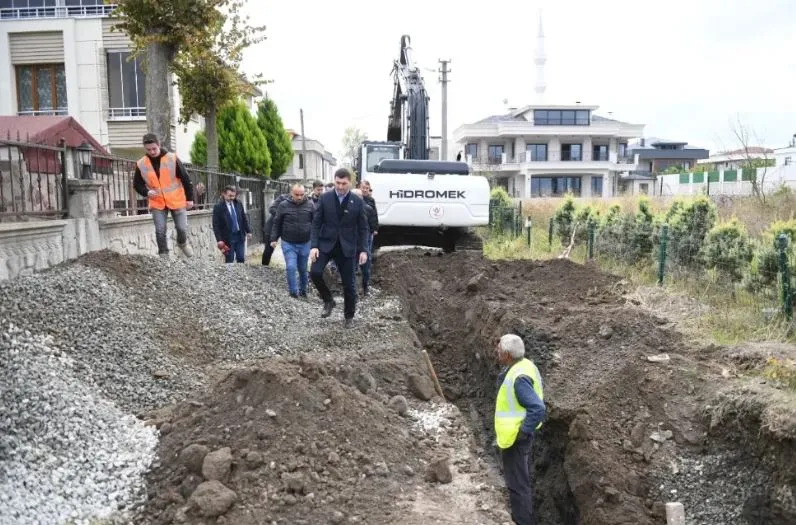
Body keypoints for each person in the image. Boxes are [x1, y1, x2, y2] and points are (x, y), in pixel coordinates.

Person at [494, 334, 546, 525]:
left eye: (499, 349)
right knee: (519, 480)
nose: (496, 352)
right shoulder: (522, 366)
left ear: (507, 354)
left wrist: (522, 432)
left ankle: (523, 521)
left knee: (517, 485)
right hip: (515, 437)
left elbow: (538, 409)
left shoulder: (519, 378)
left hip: (516, 439)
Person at [309, 168, 369, 328]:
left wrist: (364, 249)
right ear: (334, 181)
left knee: (349, 284)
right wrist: (313, 246)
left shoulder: (357, 202)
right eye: (337, 183)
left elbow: (363, 228)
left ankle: (349, 316)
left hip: (347, 247)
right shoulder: (325, 198)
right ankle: (328, 300)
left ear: (350, 182)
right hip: (325, 244)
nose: (340, 186)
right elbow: (316, 223)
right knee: (314, 273)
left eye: (344, 183)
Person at [133, 132, 195, 258]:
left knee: (182, 228)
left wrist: (190, 199)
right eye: (148, 149)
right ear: (145, 149)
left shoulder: (172, 158)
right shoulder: (141, 164)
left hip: (176, 199)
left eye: (154, 148)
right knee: (160, 230)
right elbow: (137, 184)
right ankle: (164, 257)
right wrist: (146, 192)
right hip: (157, 202)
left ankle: (182, 243)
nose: (152, 151)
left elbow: (185, 179)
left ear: (159, 145)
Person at [271, 184, 314, 298]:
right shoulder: (283, 205)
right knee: (291, 267)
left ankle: (303, 290)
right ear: (291, 193)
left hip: (305, 242)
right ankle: (293, 292)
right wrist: (274, 239)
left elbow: (316, 223)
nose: (299, 197)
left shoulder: (310, 205)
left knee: (303, 269)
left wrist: (316, 241)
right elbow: (277, 223)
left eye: (301, 194)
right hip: (288, 242)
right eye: (296, 194)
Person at [212, 185, 251, 263]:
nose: (232, 198)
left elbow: (243, 218)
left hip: (239, 236)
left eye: (233, 196)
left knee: (241, 258)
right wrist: (219, 240)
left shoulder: (238, 203)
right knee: (230, 260)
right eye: (230, 196)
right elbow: (215, 225)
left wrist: (248, 231)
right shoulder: (218, 207)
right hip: (227, 238)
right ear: (224, 194)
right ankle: (230, 274)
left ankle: (240, 274)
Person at [351, 187, 378, 296]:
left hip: (362, 244)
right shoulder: (345, 209)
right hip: (352, 244)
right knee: (351, 268)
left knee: (365, 267)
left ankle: (364, 287)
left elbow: (373, 226)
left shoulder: (368, 209)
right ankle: (354, 289)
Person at [261, 190, 290, 266]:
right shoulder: (282, 198)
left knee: (290, 250)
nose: (299, 196)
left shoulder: (301, 201)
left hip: (287, 229)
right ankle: (264, 267)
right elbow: (272, 208)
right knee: (268, 249)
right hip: (272, 227)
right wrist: (283, 216)